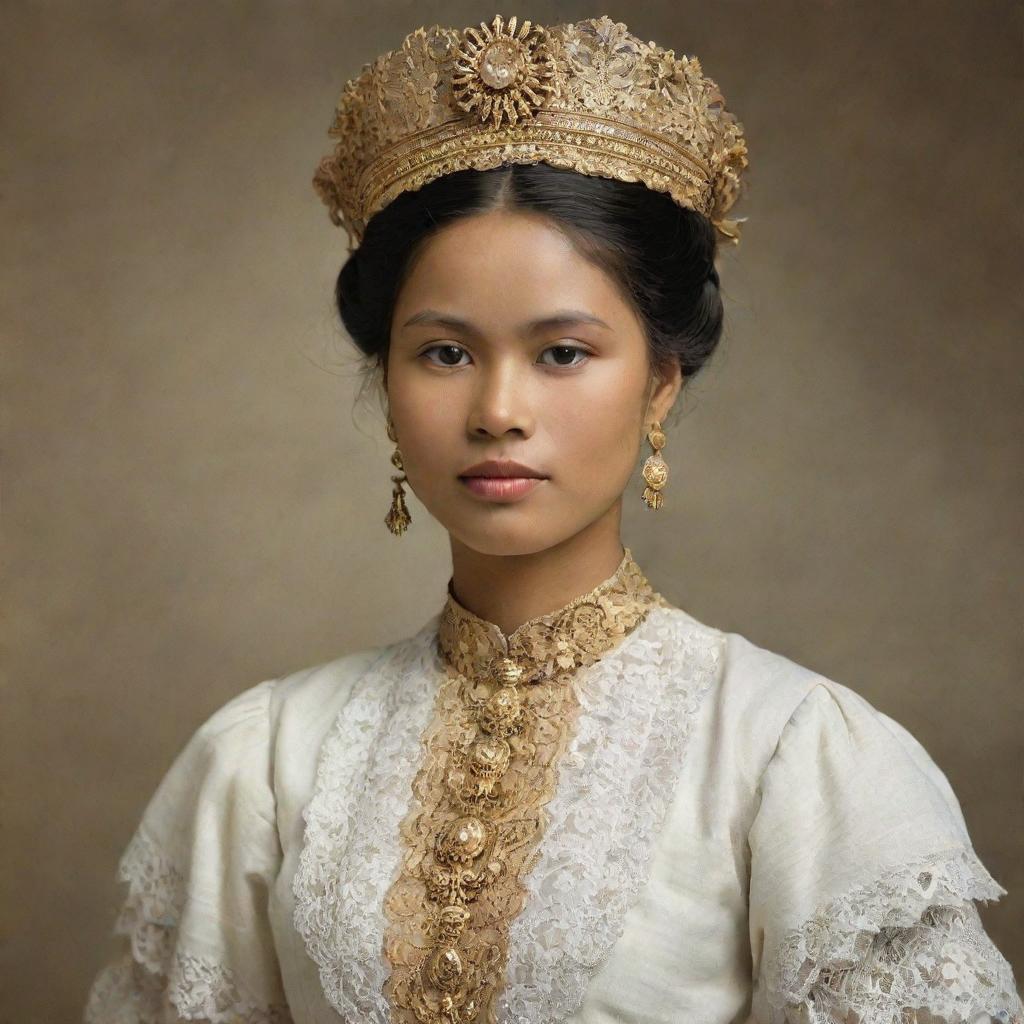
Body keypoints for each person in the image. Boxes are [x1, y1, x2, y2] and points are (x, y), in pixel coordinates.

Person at [84, 14, 1022, 1024]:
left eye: (562, 352)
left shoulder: (790, 756)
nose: (497, 410)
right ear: (387, 382)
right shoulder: (262, 761)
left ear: (659, 382)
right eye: (444, 352)